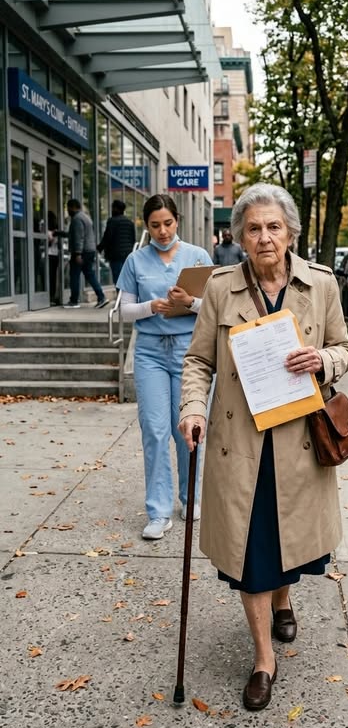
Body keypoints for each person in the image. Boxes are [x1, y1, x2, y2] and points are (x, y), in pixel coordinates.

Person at [178, 184, 348, 711]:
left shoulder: (320, 285)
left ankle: (284, 597)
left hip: (299, 447)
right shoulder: (219, 288)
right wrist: (192, 408)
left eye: (273, 227)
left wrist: (323, 360)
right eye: (252, 228)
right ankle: (262, 659)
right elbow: (198, 361)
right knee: (252, 552)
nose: (264, 237)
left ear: (291, 232)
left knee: (288, 541)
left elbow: (345, 347)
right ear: (240, 237)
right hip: (241, 446)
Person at [117, 194, 213, 540]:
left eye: (168, 223)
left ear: (177, 221)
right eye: (155, 225)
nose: (162, 231)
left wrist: (189, 302)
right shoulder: (135, 261)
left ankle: (190, 498)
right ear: (147, 225)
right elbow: (124, 311)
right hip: (150, 353)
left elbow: (215, 307)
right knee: (155, 431)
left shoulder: (198, 257)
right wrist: (151, 306)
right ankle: (158, 511)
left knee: (187, 430)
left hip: (190, 352)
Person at [65, 199, 108, 309]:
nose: (68, 210)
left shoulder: (77, 219)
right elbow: (76, 234)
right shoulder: (85, 217)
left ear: (73, 207)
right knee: (89, 274)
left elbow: (79, 237)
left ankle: (74, 300)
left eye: (68, 208)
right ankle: (101, 296)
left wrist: (78, 253)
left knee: (74, 275)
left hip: (82, 252)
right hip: (89, 250)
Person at [97, 199, 136, 285]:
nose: (111, 210)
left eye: (113, 208)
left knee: (118, 278)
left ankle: (121, 297)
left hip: (115, 255)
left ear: (116, 209)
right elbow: (133, 239)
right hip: (127, 255)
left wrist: (99, 247)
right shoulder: (130, 223)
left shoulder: (112, 221)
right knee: (127, 278)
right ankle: (126, 297)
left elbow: (107, 237)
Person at [47, 210, 59, 306]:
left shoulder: (50, 231)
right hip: (55, 255)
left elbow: (48, 243)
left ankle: (50, 297)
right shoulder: (56, 230)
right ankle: (52, 296)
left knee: (49, 277)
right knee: (52, 277)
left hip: (49, 255)